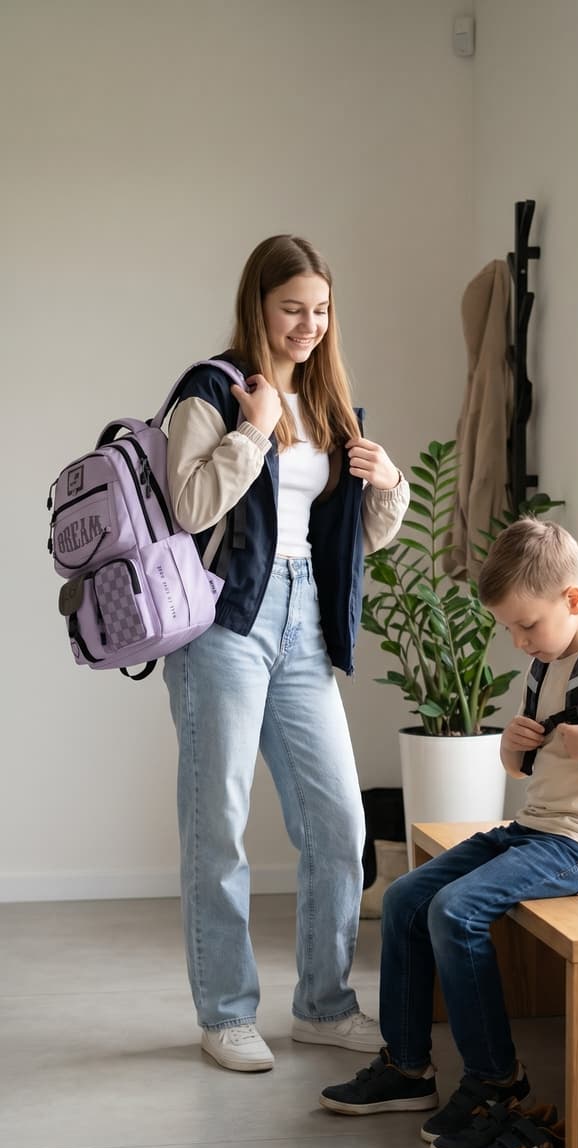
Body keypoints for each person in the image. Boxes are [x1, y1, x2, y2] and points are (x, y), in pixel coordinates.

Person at [319, 519, 578, 1148]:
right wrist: (512, 746)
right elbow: (525, 770)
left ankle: (496, 1083)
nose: (519, 640)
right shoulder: (548, 661)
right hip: (536, 830)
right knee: (409, 896)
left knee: (456, 910)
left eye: (526, 625)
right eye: (509, 628)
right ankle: (408, 1067)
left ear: (572, 600)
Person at [163, 234, 409, 1072]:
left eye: (321, 310)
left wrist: (389, 486)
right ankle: (226, 1014)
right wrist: (255, 432)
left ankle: (323, 1006)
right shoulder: (212, 391)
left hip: (306, 620)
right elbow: (191, 507)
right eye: (291, 308)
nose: (308, 325)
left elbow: (352, 541)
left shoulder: (332, 405)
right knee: (218, 825)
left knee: (339, 825)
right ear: (258, 305)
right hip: (226, 621)